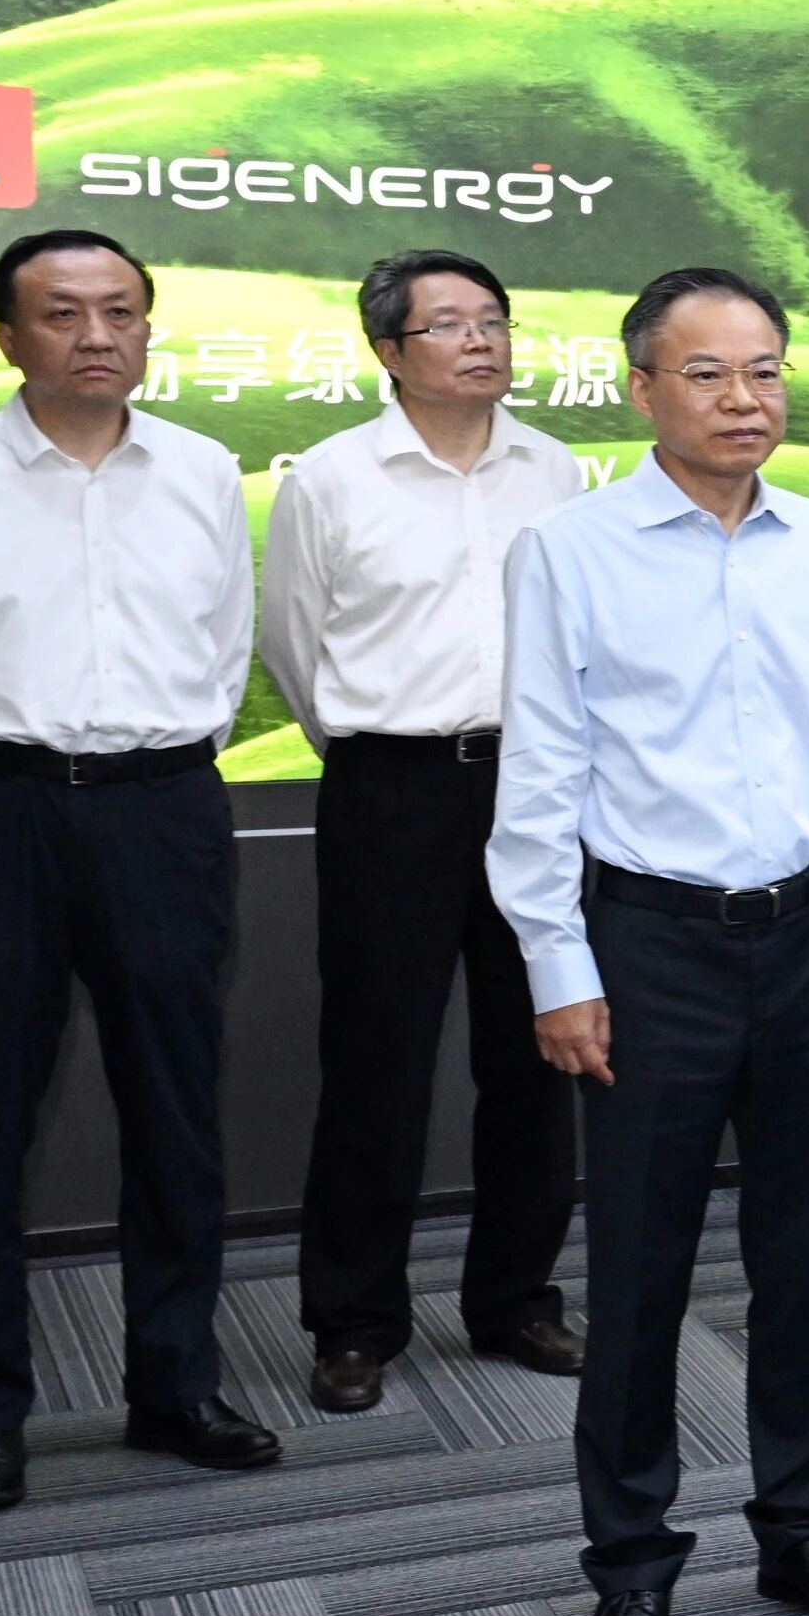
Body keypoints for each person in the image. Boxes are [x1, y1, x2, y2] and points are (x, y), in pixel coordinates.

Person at [489, 266, 809, 1616]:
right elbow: (542, 770)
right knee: (640, 1270)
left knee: (802, 1256)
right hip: (650, 948)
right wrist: (557, 962)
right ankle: (630, 1562)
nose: (746, 400)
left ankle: (804, 1529)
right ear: (641, 389)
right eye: (709, 373)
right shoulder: (572, 551)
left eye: (767, 371)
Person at [0, 229, 277, 1514]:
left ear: (148, 326)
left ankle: (175, 1386)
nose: (97, 334)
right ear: (7, 336)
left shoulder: (201, 469)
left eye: (121, 310)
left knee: (176, 1111)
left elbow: (224, 649)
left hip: (162, 811)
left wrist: (153, 766)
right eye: (62, 312)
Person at [261, 249, 587, 1416]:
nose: (483, 339)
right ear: (388, 351)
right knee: (376, 1063)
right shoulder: (331, 479)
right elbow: (294, 645)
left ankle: (516, 1298)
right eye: (450, 324)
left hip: (533, 785)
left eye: (494, 319)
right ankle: (354, 1322)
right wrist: (376, 749)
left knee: (538, 1052)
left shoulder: (553, 469)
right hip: (390, 792)